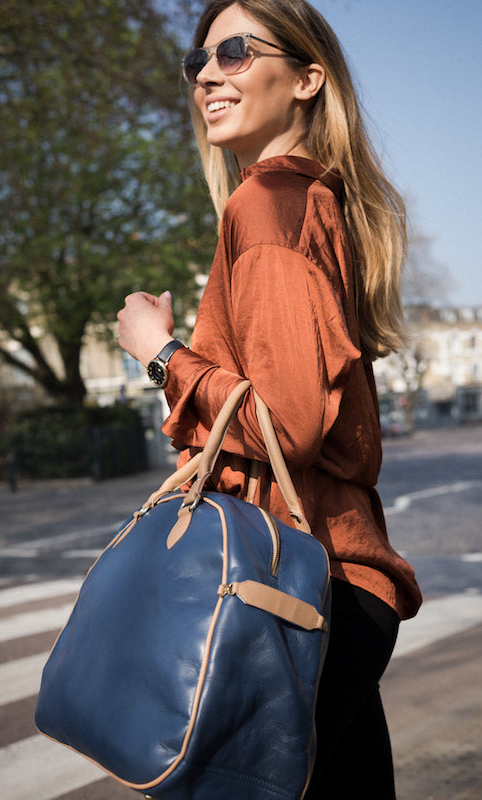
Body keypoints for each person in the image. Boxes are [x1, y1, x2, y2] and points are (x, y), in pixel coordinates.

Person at [117, 1, 422, 796]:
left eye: (236, 52)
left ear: (307, 79)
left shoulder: (267, 204)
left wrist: (162, 355)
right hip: (335, 587)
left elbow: (284, 427)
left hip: (285, 594)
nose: (208, 75)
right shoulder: (315, 202)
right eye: (199, 62)